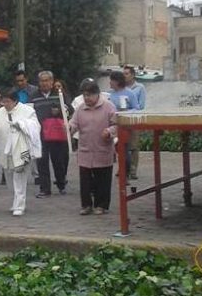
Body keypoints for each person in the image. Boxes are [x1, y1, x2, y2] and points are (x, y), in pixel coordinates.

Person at [69, 79, 117, 215]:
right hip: (85, 150)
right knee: (85, 180)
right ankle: (86, 205)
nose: (87, 98)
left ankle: (101, 205)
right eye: (84, 95)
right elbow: (74, 123)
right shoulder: (80, 109)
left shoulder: (108, 107)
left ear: (97, 94)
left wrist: (110, 131)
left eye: (89, 95)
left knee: (102, 179)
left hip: (103, 149)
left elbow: (117, 124)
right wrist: (70, 128)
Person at [0, 90, 41, 216]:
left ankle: (20, 204)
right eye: (4, 101)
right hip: (5, 149)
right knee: (9, 176)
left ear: (15, 101)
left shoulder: (27, 111)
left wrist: (22, 125)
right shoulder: (0, 112)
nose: (5, 104)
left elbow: (36, 127)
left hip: (22, 149)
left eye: (8, 101)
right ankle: (15, 200)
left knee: (20, 176)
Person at [29, 70, 72, 197]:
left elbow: (70, 109)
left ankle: (61, 184)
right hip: (40, 133)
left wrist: (59, 110)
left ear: (52, 81)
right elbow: (28, 111)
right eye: (42, 81)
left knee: (58, 160)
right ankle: (45, 188)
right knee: (41, 161)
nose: (44, 83)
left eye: (47, 80)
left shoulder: (59, 94)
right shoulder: (33, 96)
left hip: (57, 133)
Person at [122, 65, 147, 180]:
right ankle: (123, 168)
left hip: (134, 119)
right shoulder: (121, 88)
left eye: (126, 74)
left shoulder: (140, 87)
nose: (124, 76)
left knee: (134, 146)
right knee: (122, 145)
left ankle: (133, 169)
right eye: (123, 74)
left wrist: (129, 107)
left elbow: (141, 106)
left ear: (132, 75)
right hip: (122, 120)